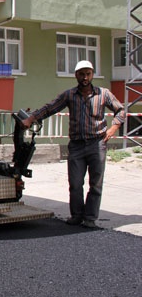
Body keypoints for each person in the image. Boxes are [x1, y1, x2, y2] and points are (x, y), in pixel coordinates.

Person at [22, 60, 125, 228]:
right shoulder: (69, 95)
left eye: (88, 74)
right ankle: (76, 216)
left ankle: (90, 218)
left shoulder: (103, 94)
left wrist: (114, 128)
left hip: (97, 144)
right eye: (81, 74)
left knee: (96, 184)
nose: (85, 78)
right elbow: (50, 108)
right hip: (77, 145)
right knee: (75, 184)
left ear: (92, 75)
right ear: (76, 75)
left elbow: (120, 110)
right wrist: (31, 119)